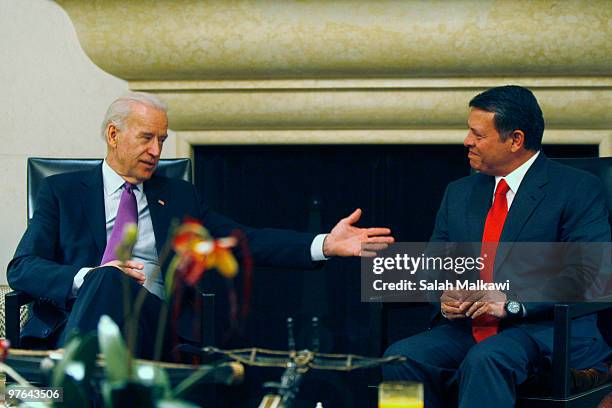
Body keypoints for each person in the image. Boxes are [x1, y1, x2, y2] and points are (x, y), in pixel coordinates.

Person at [7, 92, 394, 359]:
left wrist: (324, 243)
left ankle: (72, 382)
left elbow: (244, 240)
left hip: (154, 326)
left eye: (162, 139)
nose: (156, 151)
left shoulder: (179, 197)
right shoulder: (62, 192)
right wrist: (89, 276)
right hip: (75, 319)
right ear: (113, 134)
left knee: (112, 287)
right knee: (106, 281)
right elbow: (22, 268)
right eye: (146, 138)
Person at [382, 85, 611, 407]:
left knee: (487, 359)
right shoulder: (459, 192)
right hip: (468, 326)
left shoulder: (575, 188)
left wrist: (513, 301)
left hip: (544, 330)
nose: (466, 142)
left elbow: (592, 272)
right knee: (400, 358)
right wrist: (443, 296)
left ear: (515, 139)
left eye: (478, 134)